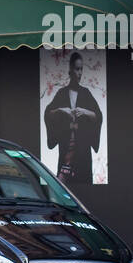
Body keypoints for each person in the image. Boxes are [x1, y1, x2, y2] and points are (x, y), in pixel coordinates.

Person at [43, 51, 104, 185]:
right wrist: (60, 110)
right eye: (77, 69)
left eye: (81, 69)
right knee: (63, 186)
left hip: (83, 153)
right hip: (66, 150)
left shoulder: (86, 93)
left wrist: (85, 112)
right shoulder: (62, 93)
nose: (80, 73)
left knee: (84, 184)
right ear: (70, 70)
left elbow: (98, 116)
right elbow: (48, 113)